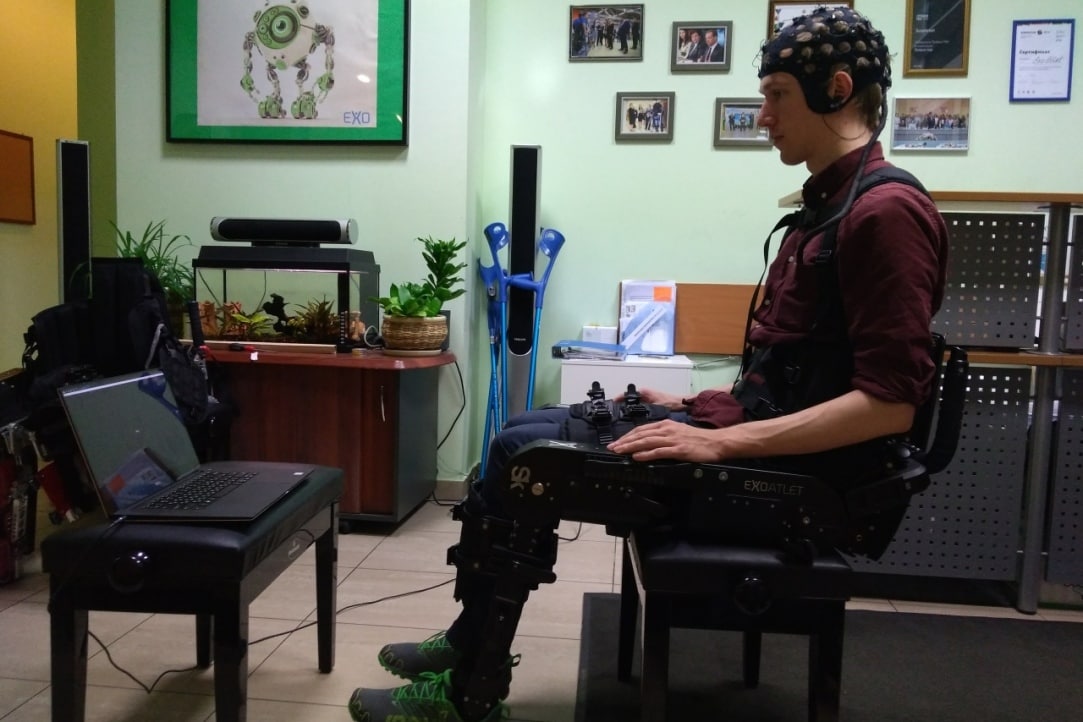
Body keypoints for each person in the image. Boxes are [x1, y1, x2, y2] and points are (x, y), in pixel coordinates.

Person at [347, 6, 949, 722]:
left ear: (837, 89)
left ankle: (469, 695)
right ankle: (467, 641)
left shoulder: (884, 215)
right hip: (772, 454)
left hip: (798, 489)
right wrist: (697, 407)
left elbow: (890, 405)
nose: (762, 117)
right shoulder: (830, 209)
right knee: (526, 426)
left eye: (777, 95)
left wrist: (720, 442)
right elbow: (800, 371)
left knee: (522, 454)